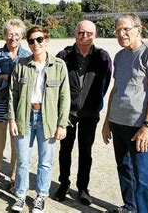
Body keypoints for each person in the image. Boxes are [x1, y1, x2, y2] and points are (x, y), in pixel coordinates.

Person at [102, 14, 148, 213]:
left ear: (139, 29)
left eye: (126, 29)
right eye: (118, 30)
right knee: (124, 168)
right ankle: (130, 207)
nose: (121, 34)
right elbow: (115, 89)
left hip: (139, 125)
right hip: (117, 122)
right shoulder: (120, 56)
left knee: (143, 175)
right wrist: (106, 122)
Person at [9, 26, 71, 213]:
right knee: (22, 160)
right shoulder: (20, 65)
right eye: (31, 41)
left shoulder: (59, 66)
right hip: (24, 117)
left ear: (47, 40)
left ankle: (41, 196)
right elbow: (12, 94)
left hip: (48, 119)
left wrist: (62, 124)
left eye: (39, 39)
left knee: (45, 161)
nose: (35, 44)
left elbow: (64, 96)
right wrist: (12, 119)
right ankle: (20, 196)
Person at [53, 20, 112, 205]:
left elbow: (106, 82)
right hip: (67, 113)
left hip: (90, 113)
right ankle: (63, 184)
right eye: (81, 32)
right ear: (74, 33)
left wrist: (94, 101)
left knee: (86, 152)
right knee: (65, 150)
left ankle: (83, 188)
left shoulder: (102, 57)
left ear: (95, 34)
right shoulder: (63, 55)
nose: (84, 36)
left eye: (89, 33)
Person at [0, 18, 30, 193]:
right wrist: (8, 80)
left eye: (17, 34)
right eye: (10, 34)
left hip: (20, 107)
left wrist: (4, 78)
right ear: (4, 35)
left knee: (17, 143)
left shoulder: (27, 56)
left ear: (22, 36)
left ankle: (13, 177)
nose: (13, 38)